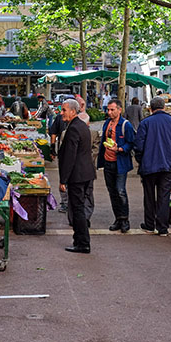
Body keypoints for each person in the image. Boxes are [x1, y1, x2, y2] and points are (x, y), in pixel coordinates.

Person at [134, 96, 171, 236]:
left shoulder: (146, 123)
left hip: (149, 165)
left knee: (149, 196)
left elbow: (139, 145)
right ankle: (162, 227)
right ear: (164, 107)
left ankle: (149, 224)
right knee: (164, 196)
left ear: (151, 108)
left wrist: (141, 160)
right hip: (167, 165)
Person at [58, 99, 97, 253]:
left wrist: (63, 180)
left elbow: (70, 156)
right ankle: (81, 241)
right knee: (79, 207)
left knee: (77, 208)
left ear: (73, 111)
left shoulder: (74, 128)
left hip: (78, 175)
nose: (61, 113)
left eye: (64, 110)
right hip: (86, 173)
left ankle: (82, 243)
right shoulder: (82, 126)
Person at [97, 99, 135, 233]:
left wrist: (119, 149)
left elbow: (131, 143)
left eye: (112, 109)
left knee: (120, 191)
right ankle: (118, 218)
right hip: (108, 162)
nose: (109, 112)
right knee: (112, 191)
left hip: (120, 164)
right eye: (108, 109)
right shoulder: (107, 123)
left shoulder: (126, 125)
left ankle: (125, 219)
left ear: (119, 110)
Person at [48, 109, 68, 214]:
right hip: (63, 153)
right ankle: (65, 203)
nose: (61, 112)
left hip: (75, 156)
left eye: (64, 110)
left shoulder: (80, 119)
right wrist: (52, 148)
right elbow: (53, 132)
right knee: (63, 178)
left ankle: (72, 203)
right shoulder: (60, 118)